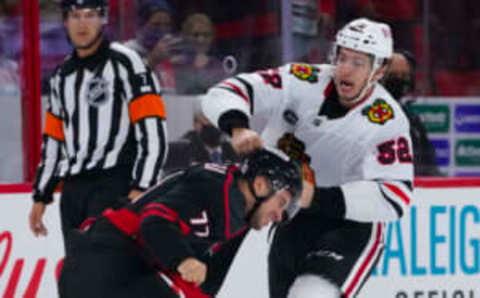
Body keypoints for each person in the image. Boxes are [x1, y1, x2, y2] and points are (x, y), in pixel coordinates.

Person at [201, 18, 414, 298]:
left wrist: (315, 196)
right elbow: (227, 91)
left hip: (349, 228)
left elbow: (395, 196)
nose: (344, 69)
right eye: (342, 57)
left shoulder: (387, 121)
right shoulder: (301, 80)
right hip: (290, 219)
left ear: (378, 70)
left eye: (358, 63)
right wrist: (237, 127)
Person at [58, 148, 303, 298]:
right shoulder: (218, 191)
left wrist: (186, 263)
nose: (279, 216)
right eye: (281, 202)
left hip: (100, 266)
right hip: (104, 264)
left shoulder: (237, 209)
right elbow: (154, 222)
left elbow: (205, 283)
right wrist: (183, 260)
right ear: (260, 185)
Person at [29, 0, 168, 253]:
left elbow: (152, 127)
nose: (82, 23)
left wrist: (143, 187)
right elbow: (54, 140)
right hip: (73, 192)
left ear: (103, 19)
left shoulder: (126, 61)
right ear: (65, 21)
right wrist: (41, 195)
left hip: (114, 184)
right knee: (77, 276)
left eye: (90, 15)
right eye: (75, 15)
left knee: (108, 273)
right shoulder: (62, 75)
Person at [382, 50, 441, 176]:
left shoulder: (412, 119)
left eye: (404, 76)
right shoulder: (365, 116)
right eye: (393, 75)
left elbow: (430, 165)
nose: (400, 80)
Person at [124, 0, 180, 93]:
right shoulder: (126, 51)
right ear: (140, 24)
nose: (162, 30)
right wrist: (152, 60)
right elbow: (125, 86)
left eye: (166, 25)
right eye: (156, 25)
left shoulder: (171, 50)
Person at [174, 13, 227, 94]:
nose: (200, 40)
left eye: (206, 35)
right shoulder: (175, 64)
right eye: (195, 35)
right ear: (185, 36)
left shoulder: (219, 67)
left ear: (212, 37)